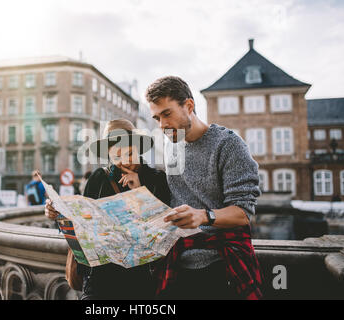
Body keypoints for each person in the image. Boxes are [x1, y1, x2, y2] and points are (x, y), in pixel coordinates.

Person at [145, 76, 263, 300]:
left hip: (218, 266)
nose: (162, 125)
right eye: (156, 118)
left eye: (167, 114)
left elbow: (243, 213)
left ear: (188, 106)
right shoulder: (172, 148)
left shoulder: (228, 145)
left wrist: (203, 216)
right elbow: (174, 197)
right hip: (175, 261)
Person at [45, 119, 171, 300]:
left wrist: (138, 191)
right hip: (100, 279)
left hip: (142, 279)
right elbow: (78, 224)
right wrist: (56, 214)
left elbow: (166, 228)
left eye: (127, 152)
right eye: (116, 156)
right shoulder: (99, 178)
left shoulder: (157, 179)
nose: (122, 161)